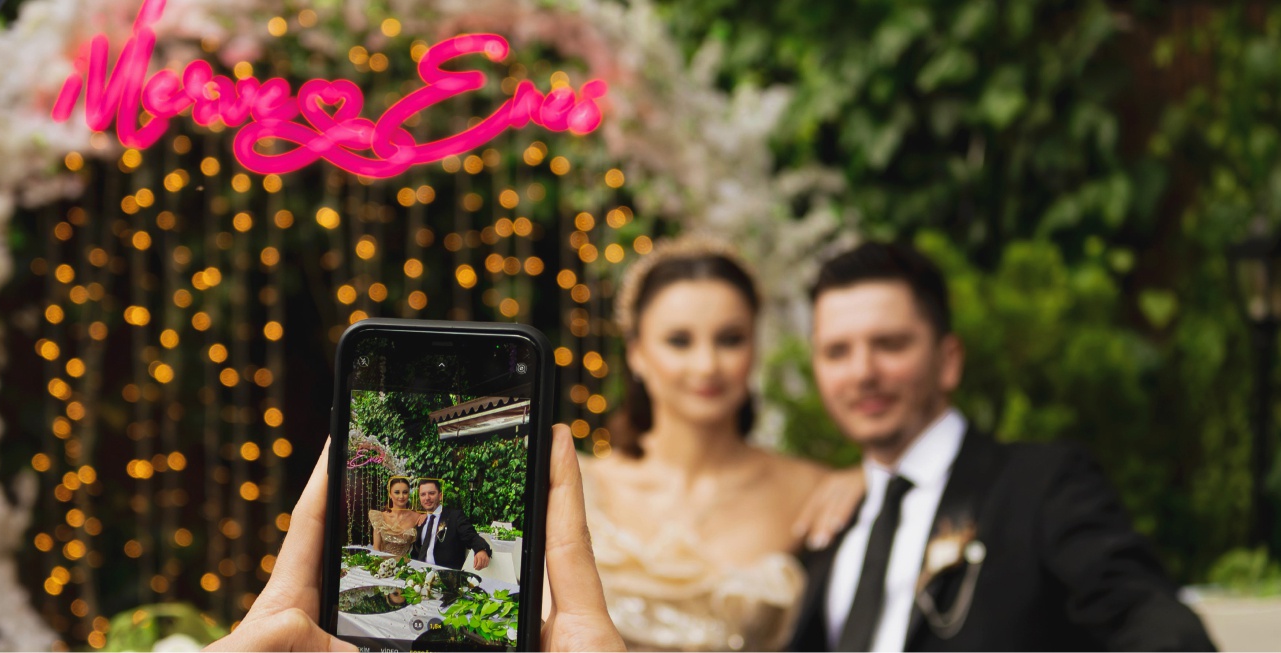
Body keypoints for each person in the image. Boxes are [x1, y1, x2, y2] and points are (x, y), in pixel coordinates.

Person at [787, 241, 1216, 651]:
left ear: (949, 360)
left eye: (890, 344)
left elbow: (1152, 624)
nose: (862, 372)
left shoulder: (1041, 488)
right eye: (837, 352)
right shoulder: (829, 523)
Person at [579, 238, 866, 651]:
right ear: (637, 354)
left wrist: (871, 478)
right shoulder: (580, 488)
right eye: (679, 341)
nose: (707, 365)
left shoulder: (816, 491)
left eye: (730, 339)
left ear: (754, 346)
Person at [204, 426, 626, 651]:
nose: (419, 498)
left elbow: (472, 537)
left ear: (436, 496)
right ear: (401, 495)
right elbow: (378, 548)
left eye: (425, 494)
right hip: (401, 581)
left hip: (439, 584)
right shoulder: (413, 521)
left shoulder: (453, 518)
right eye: (413, 494)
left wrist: (479, 549)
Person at [412, 479, 492, 571]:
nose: (427, 498)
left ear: (440, 496)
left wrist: (481, 549)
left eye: (431, 493)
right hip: (420, 574)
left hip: (447, 577)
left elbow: (471, 535)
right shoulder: (421, 521)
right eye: (423, 494)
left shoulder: (454, 517)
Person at [368, 476, 426, 559]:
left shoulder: (417, 517)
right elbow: (376, 548)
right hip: (382, 566)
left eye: (405, 492)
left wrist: (427, 515)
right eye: (397, 492)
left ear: (408, 494)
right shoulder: (379, 517)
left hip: (405, 567)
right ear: (390, 494)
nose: (401, 496)